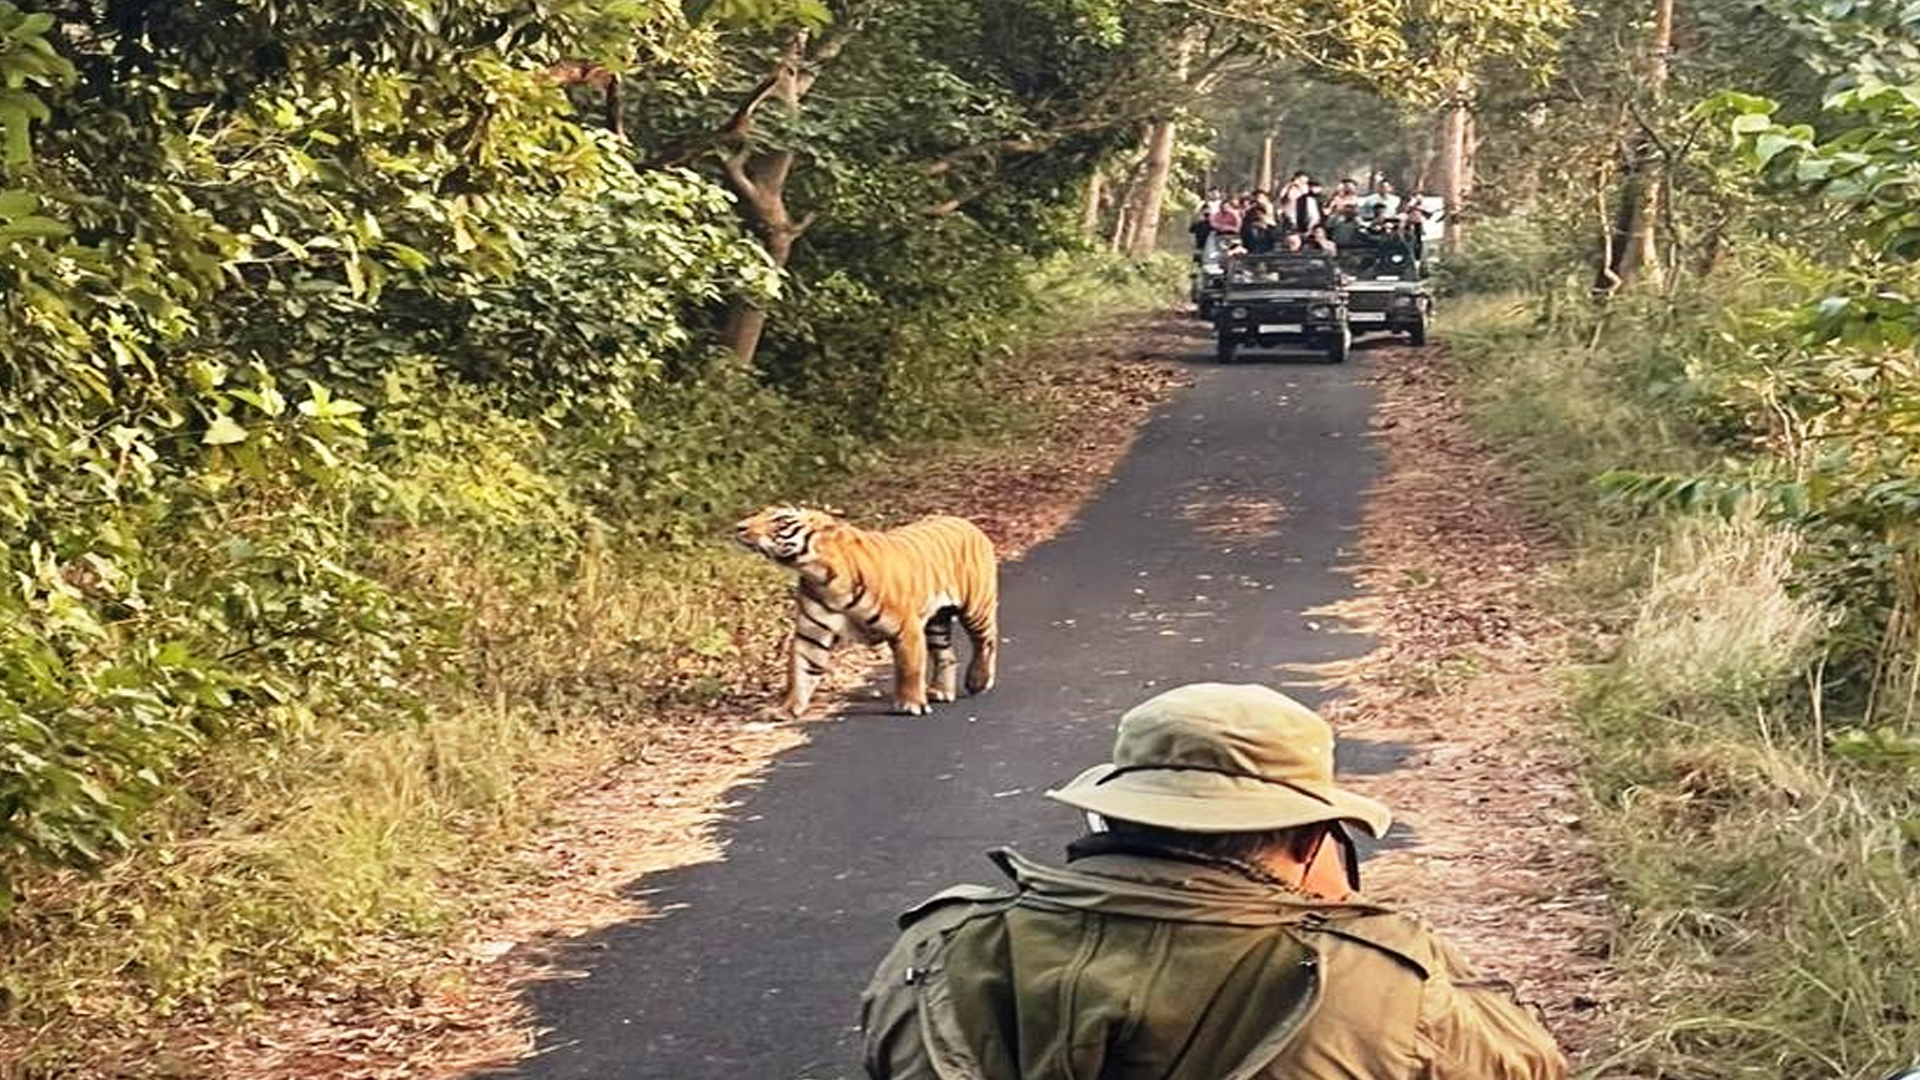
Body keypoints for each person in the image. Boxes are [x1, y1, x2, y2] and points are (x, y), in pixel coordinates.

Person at [861, 683, 1568, 1080]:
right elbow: (1531, 1067)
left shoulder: (939, 945)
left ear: (1109, 817)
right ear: (1307, 836)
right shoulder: (1390, 979)